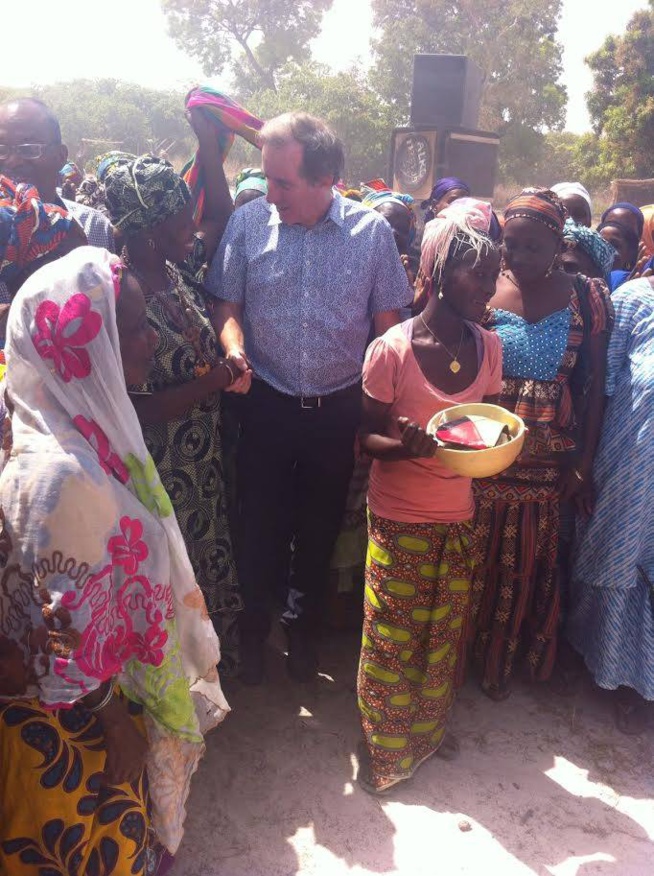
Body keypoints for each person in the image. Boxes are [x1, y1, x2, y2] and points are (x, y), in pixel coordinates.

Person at [0, 246, 228, 874]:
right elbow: (59, 622)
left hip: (92, 698)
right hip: (72, 727)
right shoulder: (62, 475)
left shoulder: (65, 425)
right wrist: (116, 726)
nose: (150, 340)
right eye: (130, 326)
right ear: (78, 343)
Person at [208, 112, 413, 685]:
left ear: (325, 179)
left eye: (284, 183)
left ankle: (304, 635)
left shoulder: (370, 234)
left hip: (338, 410)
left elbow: (388, 327)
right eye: (268, 181)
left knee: (320, 525)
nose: (271, 195)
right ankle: (253, 633)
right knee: (260, 524)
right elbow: (226, 302)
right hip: (267, 402)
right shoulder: (250, 224)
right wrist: (235, 347)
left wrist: (382, 413)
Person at [356, 200, 502, 794]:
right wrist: (403, 448)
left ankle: (427, 730)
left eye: (494, 277)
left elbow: (488, 424)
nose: (490, 288)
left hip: (458, 515)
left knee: (442, 632)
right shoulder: (391, 349)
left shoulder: (489, 348)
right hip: (399, 516)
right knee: (392, 633)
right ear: (439, 271)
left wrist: (496, 448)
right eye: (479, 276)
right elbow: (364, 438)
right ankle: (382, 746)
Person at [104, 140, 243, 676]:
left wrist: (211, 145)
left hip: (200, 465)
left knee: (203, 555)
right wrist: (220, 379)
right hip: (158, 469)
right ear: (146, 229)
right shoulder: (122, 294)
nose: (193, 227)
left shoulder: (179, 275)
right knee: (166, 571)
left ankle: (209, 670)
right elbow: (137, 407)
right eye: (182, 219)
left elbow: (222, 216)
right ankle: (176, 685)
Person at [471, 188, 613, 700]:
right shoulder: (486, 287)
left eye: (532, 247)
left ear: (558, 246)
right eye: (510, 244)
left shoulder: (586, 295)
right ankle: (462, 655)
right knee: (474, 556)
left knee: (524, 561)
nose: (518, 257)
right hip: (485, 451)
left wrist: (584, 460)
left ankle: (501, 662)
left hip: (547, 460)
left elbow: (593, 385)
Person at [567, 277, 654, 735]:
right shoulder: (636, 300)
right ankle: (619, 677)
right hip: (631, 464)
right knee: (618, 563)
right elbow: (599, 385)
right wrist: (587, 462)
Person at [598, 220, 640, 291]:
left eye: (615, 245)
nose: (606, 250)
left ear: (630, 253)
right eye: (600, 244)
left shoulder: (636, 286)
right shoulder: (581, 284)